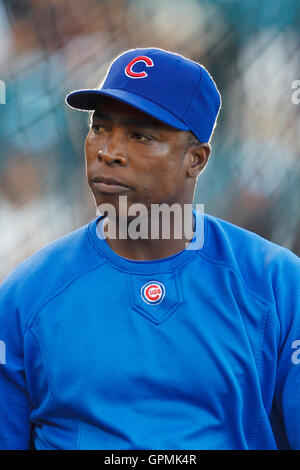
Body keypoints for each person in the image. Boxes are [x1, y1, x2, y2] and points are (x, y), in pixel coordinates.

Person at [0, 48, 299, 451]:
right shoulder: (28, 292)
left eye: (140, 135)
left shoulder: (276, 283)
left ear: (196, 160)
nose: (109, 151)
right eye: (100, 128)